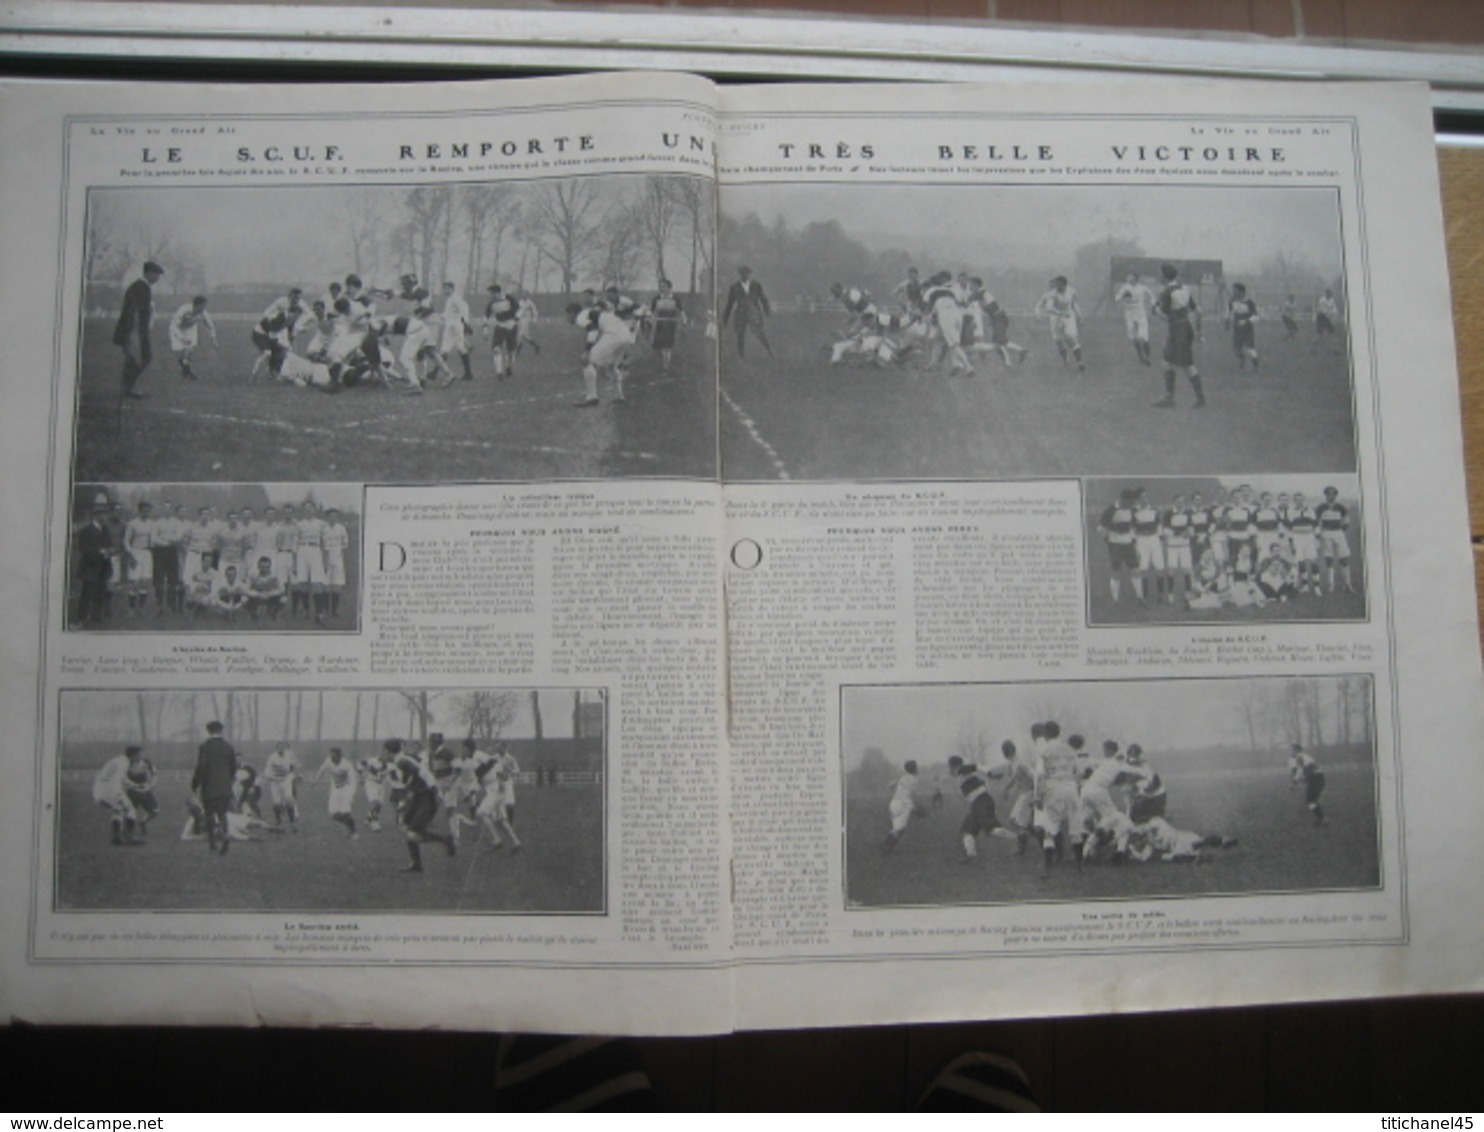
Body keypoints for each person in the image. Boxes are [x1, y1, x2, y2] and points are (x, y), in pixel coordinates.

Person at [385, 738, 455, 872]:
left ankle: (446, 840)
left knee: (413, 832)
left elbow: (421, 773)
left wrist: (435, 793)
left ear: (388, 752)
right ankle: (416, 864)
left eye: (384, 751)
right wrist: (406, 800)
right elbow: (411, 781)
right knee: (407, 829)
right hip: (418, 797)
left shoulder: (403, 761)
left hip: (426, 797)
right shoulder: (399, 762)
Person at [1153, 263, 1205, 408]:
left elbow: (1165, 316)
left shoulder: (1167, 292)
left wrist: (1155, 309)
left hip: (1177, 330)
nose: (1158, 276)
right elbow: (1196, 309)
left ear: (1164, 276)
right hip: (1185, 327)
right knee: (1167, 362)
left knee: (1187, 365)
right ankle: (1170, 399)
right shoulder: (1184, 288)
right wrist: (1199, 331)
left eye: (1159, 273)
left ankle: (1199, 399)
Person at [114, 261, 163, 399]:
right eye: (157, 275)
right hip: (133, 331)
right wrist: (133, 333)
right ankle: (128, 388)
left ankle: (127, 387)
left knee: (138, 358)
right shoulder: (140, 287)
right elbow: (132, 310)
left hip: (136, 331)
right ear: (149, 273)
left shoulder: (142, 287)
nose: (158, 278)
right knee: (141, 358)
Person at [192, 721, 239, 855]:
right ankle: (226, 835)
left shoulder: (205, 746)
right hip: (225, 786)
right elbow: (233, 768)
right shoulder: (229, 747)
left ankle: (212, 843)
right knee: (223, 813)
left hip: (210, 787)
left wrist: (195, 783)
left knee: (209, 814)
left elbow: (202, 767)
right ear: (221, 730)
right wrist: (228, 782)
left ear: (208, 731)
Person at [73, 497, 114, 626]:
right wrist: (100, 552)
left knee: (100, 593)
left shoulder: (105, 529)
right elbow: (84, 548)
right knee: (87, 594)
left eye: (105, 514)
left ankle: (96, 616)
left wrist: (110, 550)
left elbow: (109, 544)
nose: (104, 516)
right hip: (90, 567)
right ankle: (82, 618)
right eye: (101, 514)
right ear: (95, 515)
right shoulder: (85, 530)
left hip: (103, 567)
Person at [93, 745, 145, 845]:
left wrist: (136, 785)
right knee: (130, 810)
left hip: (100, 790)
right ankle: (129, 838)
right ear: (134, 755)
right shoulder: (123, 763)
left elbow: (122, 779)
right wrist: (118, 794)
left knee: (119, 811)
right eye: (140, 754)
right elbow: (117, 779)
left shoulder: (120, 760)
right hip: (108, 790)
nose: (141, 757)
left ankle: (116, 839)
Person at [1033, 275, 1085, 374]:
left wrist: (1080, 316)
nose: (1055, 286)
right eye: (1054, 284)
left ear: (1064, 284)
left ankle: (1079, 362)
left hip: (1069, 317)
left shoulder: (1072, 291)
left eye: (1057, 284)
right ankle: (1065, 360)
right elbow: (1048, 308)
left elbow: (1074, 304)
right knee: (1058, 340)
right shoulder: (1051, 294)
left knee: (1071, 337)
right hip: (1055, 319)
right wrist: (1038, 315)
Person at [721, 265, 774, 360]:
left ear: (749, 274)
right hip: (740, 313)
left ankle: (769, 351)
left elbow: (763, 298)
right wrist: (725, 318)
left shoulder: (756, 285)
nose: (744, 276)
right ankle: (741, 356)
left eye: (746, 274)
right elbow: (730, 304)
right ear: (739, 275)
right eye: (742, 274)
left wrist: (767, 311)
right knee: (740, 335)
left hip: (753, 312)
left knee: (759, 332)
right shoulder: (734, 287)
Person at [168, 294, 217, 381]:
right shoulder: (184, 310)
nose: (204, 308)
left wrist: (213, 338)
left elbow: (210, 326)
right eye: (203, 306)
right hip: (177, 329)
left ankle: (188, 372)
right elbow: (174, 326)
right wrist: (182, 338)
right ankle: (186, 370)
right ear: (197, 305)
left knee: (189, 350)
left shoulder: (203, 313)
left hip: (190, 329)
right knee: (179, 353)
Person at [1315, 486, 1354, 595]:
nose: (1330, 496)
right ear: (1325, 495)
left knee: (1344, 558)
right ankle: (1330, 585)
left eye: (1333, 494)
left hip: (1338, 533)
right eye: (1328, 494)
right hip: (1326, 533)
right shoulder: (1320, 507)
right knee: (1329, 559)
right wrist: (1319, 534)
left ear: (1336, 495)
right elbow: (1317, 522)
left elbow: (1346, 522)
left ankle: (1347, 584)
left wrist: (1340, 531)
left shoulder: (1341, 507)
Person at [314, 747, 359, 838]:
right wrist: (316, 781)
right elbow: (322, 770)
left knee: (345, 812)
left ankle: (354, 832)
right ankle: (349, 825)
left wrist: (351, 793)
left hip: (346, 788)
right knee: (333, 814)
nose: (332, 759)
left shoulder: (346, 765)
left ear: (339, 757)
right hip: (335, 788)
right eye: (331, 757)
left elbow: (353, 780)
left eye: (334, 757)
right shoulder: (328, 762)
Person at [880, 758, 921, 854]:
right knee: (899, 829)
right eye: (916, 767)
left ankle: (889, 847)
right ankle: (885, 845)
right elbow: (912, 794)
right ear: (914, 769)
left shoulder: (902, 778)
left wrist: (897, 784)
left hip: (894, 803)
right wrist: (914, 807)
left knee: (898, 828)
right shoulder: (915, 780)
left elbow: (890, 785)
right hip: (904, 804)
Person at [1114, 272, 1154, 365]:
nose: (1128, 278)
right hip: (1129, 313)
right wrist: (1123, 296)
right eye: (1128, 277)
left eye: (1131, 277)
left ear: (1136, 279)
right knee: (1133, 337)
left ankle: (1147, 357)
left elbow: (1151, 295)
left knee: (1143, 336)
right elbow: (1117, 298)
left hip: (1140, 312)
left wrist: (1153, 305)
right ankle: (1140, 356)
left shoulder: (1142, 287)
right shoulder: (1125, 288)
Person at [647, 279, 685, 374]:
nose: (662, 289)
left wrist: (684, 322)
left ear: (669, 288)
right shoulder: (657, 299)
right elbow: (651, 311)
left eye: (664, 286)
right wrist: (650, 320)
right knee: (657, 347)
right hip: (659, 324)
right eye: (660, 286)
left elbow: (681, 312)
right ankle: (661, 365)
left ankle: (666, 367)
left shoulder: (675, 299)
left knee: (667, 347)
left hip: (670, 324)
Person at [438, 281, 474, 382]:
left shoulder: (456, 298)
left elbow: (464, 308)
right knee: (456, 349)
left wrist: (466, 324)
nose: (445, 290)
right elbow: (447, 313)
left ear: (452, 289)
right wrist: (440, 316)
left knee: (448, 349)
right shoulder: (449, 299)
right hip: (451, 326)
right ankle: (468, 373)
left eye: (447, 288)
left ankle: (435, 371)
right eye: (444, 288)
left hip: (455, 326)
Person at [484, 284, 521, 380]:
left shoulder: (509, 299)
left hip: (511, 326)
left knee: (511, 350)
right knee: (496, 349)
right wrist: (485, 329)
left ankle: (509, 367)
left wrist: (516, 318)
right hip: (499, 327)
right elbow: (486, 317)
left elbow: (519, 310)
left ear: (498, 293)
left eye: (493, 294)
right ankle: (499, 372)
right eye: (491, 294)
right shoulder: (491, 304)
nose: (491, 296)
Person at [263, 741, 301, 831]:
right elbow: (267, 770)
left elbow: (296, 765)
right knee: (277, 803)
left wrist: (297, 774)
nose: (281, 749)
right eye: (279, 748)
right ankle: (278, 821)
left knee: (288, 798)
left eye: (282, 747)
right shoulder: (272, 757)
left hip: (286, 779)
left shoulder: (289, 755)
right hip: (275, 780)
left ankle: (292, 822)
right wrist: (269, 776)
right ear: (276, 749)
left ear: (284, 748)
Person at [1288, 743, 1327, 824]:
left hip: (1315, 779)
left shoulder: (1300, 756)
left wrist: (1294, 783)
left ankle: (1322, 819)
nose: (1290, 752)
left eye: (1291, 750)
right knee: (1311, 801)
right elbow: (1306, 770)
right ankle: (1321, 818)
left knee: (1310, 801)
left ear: (1296, 750)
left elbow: (1300, 770)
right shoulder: (1304, 756)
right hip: (1317, 778)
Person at [1227, 282, 1261, 371]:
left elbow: (1256, 316)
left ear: (1241, 292)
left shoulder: (1249, 302)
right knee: (1236, 350)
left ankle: (1256, 367)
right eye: (1233, 291)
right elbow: (1230, 312)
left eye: (1235, 291)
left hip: (1247, 329)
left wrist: (1246, 321)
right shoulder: (1232, 301)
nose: (1233, 293)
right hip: (1237, 329)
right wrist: (1227, 321)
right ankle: (1242, 359)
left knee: (1250, 349)